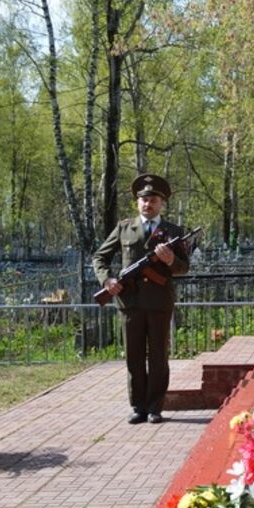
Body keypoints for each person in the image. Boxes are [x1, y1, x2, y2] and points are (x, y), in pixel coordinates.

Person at [92, 174, 189, 424]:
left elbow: (184, 268)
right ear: (138, 203)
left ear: (162, 203)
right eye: (144, 200)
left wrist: (170, 261)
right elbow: (99, 257)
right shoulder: (124, 228)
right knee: (134, 357)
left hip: (159, 303)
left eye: (153, 200)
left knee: (158, 357)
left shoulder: (173, 232)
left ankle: (156, 407)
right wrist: (107, 281)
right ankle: (138, 407)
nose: (148, 204)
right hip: (130, 303)